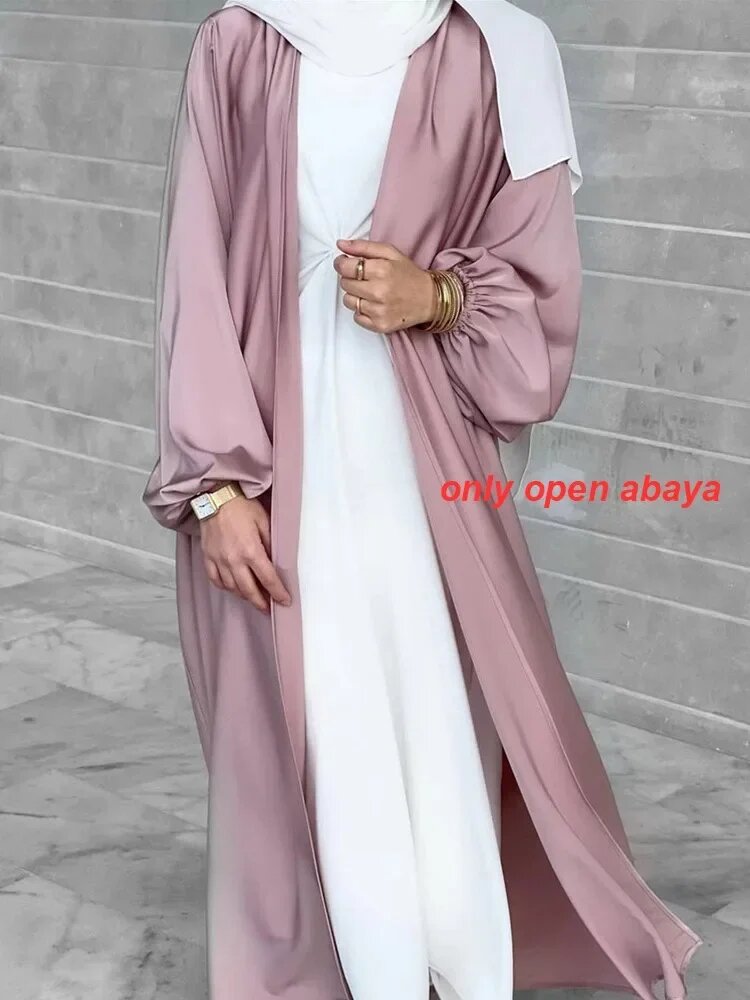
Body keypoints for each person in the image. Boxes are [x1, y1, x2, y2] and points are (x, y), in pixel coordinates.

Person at [142, 3, 703, 1000]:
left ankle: (461, 961)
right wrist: (215, 484)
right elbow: (197, 262)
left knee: (436, 706)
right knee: (327, 712)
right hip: (274, 454)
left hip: (421, 460)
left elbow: (537, 283)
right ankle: (373, 971)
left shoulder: (500, 48)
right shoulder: (245, 36)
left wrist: (436, 297)